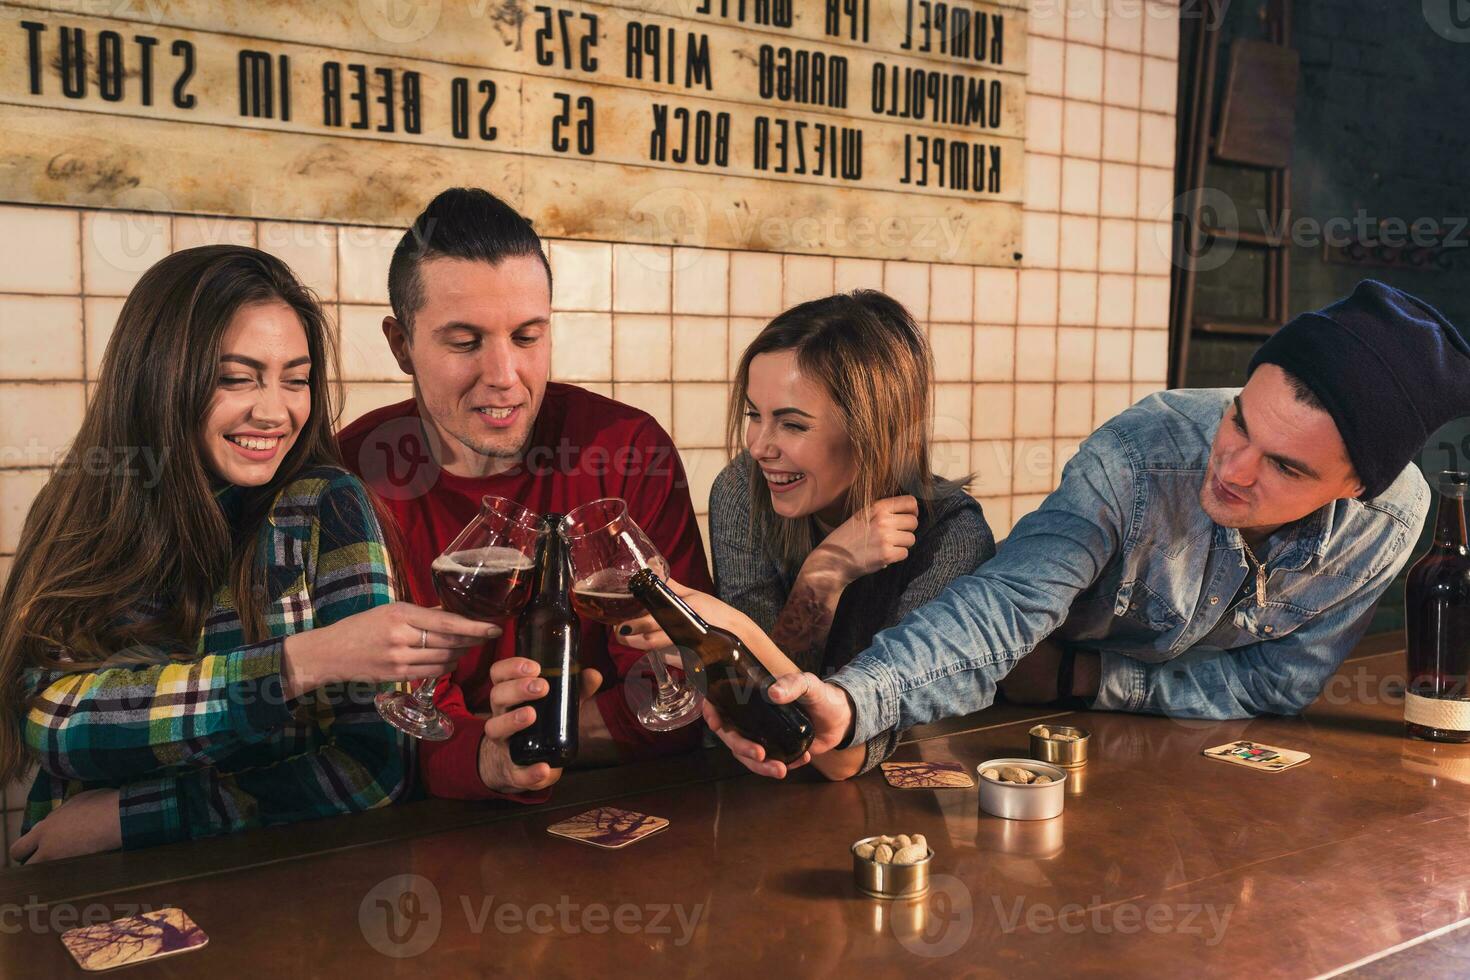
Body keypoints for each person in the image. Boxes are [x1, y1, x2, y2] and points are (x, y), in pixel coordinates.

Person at [704, 280, 1470, 778]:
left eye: (1286, 468)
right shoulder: (1139, 458)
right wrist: (859, 698)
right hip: (1026, 743)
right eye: (1237, 420)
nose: (1233, 467)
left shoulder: (1392, 521)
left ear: (1357, 488)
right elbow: (1004, 608)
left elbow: (1278, 686)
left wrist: (1082, 679)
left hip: (1175, 753)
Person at [2, 246, 497, 861]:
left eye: (295, 379)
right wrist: (296, 663)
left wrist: (131, 817)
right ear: (158, 375)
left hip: (262, 887)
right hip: (88, 889)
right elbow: (57, 724)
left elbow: (371, 769)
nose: (274, 411)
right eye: (236, 378)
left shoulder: (327, 506)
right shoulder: (81, 504)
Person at [337, 188, 713, 802]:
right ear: (401, 345)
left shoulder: (625, 447)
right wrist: (487, 756)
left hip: (617, 810)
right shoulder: (353, 472)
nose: (504, 376)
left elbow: (679, 691)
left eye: (527, 336)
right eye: (465, 342)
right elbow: (384, 730)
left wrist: (528, 741)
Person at [618, 291, 994, 779]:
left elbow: (848, 756)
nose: (758, 446)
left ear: (875, 431)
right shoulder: (742, 491)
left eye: (792, 424)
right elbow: (762, 720)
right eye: (755, 414)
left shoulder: (952, 537)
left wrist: (802, 588)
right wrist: (821, 577)